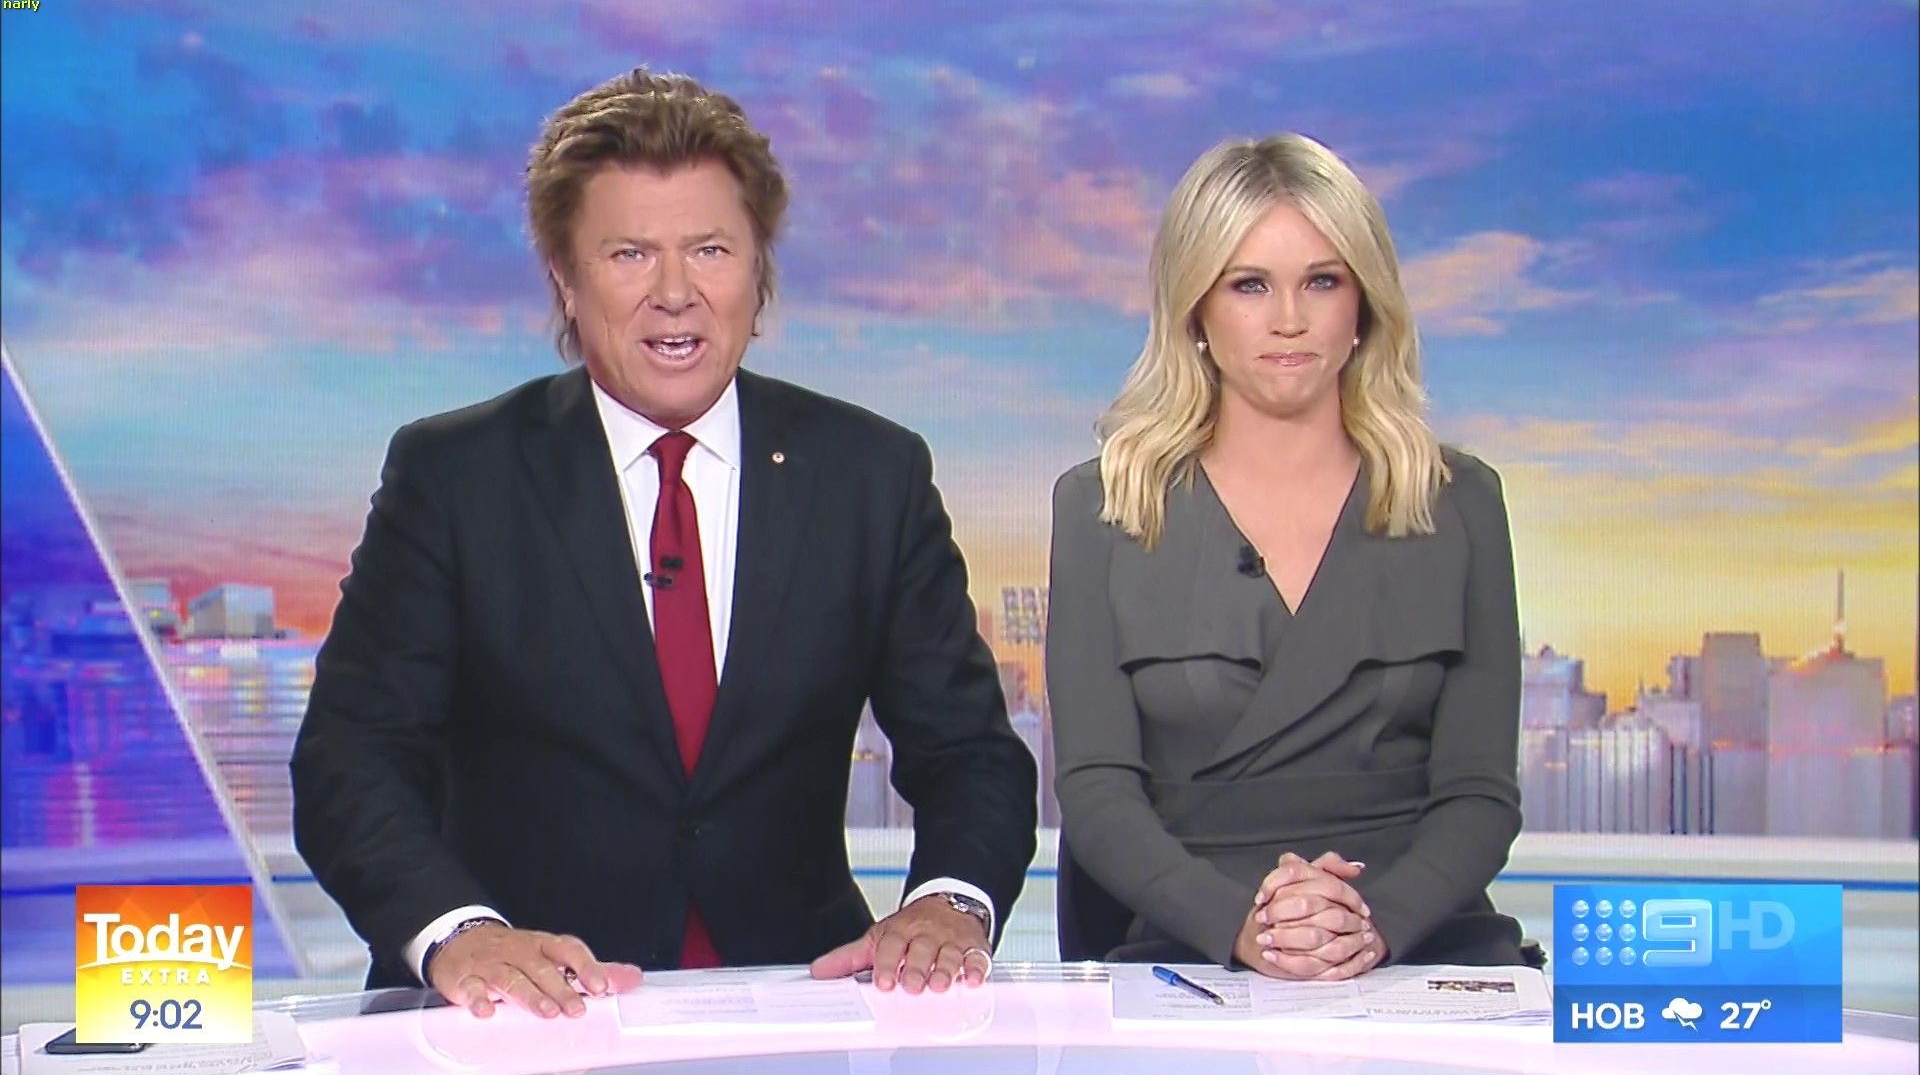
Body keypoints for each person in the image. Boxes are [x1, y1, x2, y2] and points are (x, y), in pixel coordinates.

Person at [291, 67, 1038, 1019]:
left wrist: (948, 904)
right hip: (521, 1022)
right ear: (565, 279)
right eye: (631, 254)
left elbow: (971, 753)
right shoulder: (453, 477)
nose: (675, 294)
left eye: (711, 250)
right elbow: (352, 759)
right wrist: (460, 933)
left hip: (794, 1010)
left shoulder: (869, 475)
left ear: (759, 273)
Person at [1047, 133, 1524, 979]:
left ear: (1364, 302)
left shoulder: (1458, 502)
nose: (1289, 319)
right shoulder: (1105, 508)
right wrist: (1245, 928)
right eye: (1250, 285)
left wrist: (1369, 925)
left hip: (1416, 942)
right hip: (1190, 946)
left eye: (1322, 281)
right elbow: (1097, 796)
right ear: (1196, 307)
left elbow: (1480, 793)